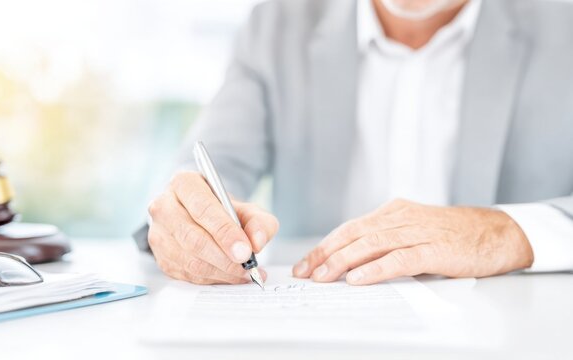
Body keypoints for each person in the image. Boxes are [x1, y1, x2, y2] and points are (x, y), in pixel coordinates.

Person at [134, 0, 573, 285]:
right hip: (321, 324)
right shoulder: (280, 21)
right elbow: (214, 166)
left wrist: (500, 233)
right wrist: (192, 217)